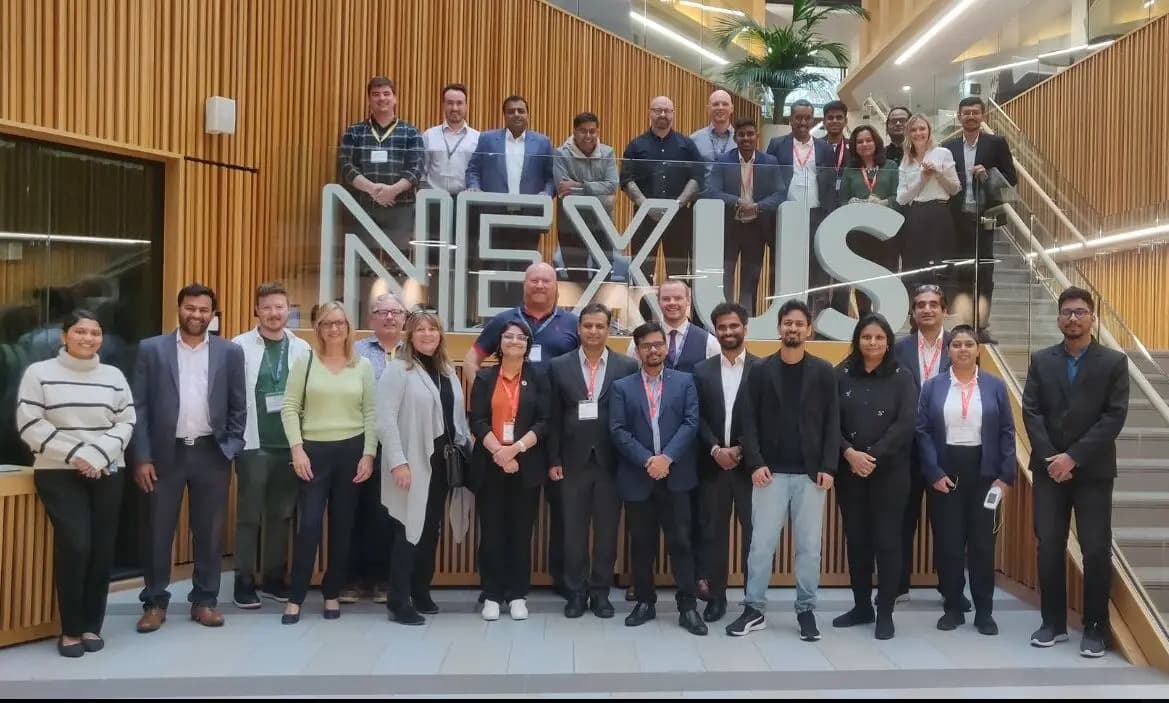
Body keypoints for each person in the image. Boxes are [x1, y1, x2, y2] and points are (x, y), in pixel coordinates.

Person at [16, 311, 135, 657]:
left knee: (102, 549)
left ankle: (91, 626)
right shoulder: (39, 373)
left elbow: (127, 420)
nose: (88, 338)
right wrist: (79, 455)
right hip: (57, 471)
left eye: (95, 332)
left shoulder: (113, 376)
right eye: (80, 331)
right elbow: (30, 423)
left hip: (107, 469)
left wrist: (97, 455)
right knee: (77, 545)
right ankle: (70, 630)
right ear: (64, 336)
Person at [132, 284, 246, 633]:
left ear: (213, 314)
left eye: (203, 310)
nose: (196, 315)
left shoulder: (229, 352)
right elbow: (139, 407)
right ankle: (154, 602)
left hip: (212, 453)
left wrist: (231, 446)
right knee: (157, 532)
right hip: (164, 455)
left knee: (209, 533)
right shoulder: (151, 349)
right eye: (190, 308)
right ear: (179, 308)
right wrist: (142, 457)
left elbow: (239, 405)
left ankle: (205, 601)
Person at [1022, 286, 1128, 657]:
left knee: (1095, 549)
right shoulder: (1041, 360)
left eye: (1080, 312)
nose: (1073, 318)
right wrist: (1053, 457)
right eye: (1067, 312)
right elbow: (1031, 411)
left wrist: (1073, 457)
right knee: (1049, 545)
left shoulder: (1113, 362)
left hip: (1093, 471)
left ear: (1092, 317)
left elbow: (1114, 416)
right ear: (1058, 318)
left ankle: (1096, 626)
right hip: (1049, 470)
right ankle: (1052, 622)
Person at [464, 261, 580, 599]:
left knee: (560, 510)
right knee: (496, 518)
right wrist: (486, 389)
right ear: (524, 284)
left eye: (547, 280)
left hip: (552, 430)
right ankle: (494, 586)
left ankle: (563, 580)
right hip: (502, 437)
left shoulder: (571, 323)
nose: (540, 285)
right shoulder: (504, 320)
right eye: (534, 280)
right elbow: (471, 360)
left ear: (556, 286)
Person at [726, 300, 838, 641]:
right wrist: (755, 462)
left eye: (799, 324)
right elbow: (747, 421)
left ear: (809, 330)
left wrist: (829, 466)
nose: (793, 328)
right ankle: (754, 609)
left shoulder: (824, 371)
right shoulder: (760, 370)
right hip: (769, 474)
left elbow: (833, 422)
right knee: (760, 545)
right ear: (779, 328)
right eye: (787, 323)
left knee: (809, 547)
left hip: (811, 475)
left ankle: (806, 611)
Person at [279, 302, 377, 624]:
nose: (334, 329)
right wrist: (297, 450)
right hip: (313, 453)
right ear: (318, 329)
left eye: (340, 323)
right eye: (327, 323)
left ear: (348, 328)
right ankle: (296, 597)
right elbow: (290, 407)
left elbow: (371, 412)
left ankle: (332, 592)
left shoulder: (362, 365)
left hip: (352, 451)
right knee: (308, 525)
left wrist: (369, 454)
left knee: (342, 528)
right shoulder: (305, 362)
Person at [916, 324, 1015, 636]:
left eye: (968, 344)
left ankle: (984, 611)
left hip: (984, 473)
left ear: (978, 350)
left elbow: (1007, 432)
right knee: (949, 544)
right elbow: (922, 431)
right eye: (956, 344)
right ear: (948, 350)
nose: (962, 349)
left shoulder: (995, 386)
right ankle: (953, 607)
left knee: (983, 545)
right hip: (945, 474)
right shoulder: (932, 387)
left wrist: (1005, 477)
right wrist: (933, 472)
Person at [610, 322, 707, 636]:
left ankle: (687, 606)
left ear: (666, 347)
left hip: (676, 476)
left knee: (682, 543)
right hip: (638, 476)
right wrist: (648, 460)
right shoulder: (622, 387)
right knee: (641, 544)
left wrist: (667, 458)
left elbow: (691, 423)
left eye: (658, 344)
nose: (653, 350)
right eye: (646, 346)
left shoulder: (686, 382)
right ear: (637, 351)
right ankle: (645, 602)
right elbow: (618, 430)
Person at [377, 310, 472, 625]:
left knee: (430, 530)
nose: (428, 334)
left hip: (442, 464)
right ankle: (398, 601)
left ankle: (420, 590)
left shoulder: (447, 370)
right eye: (421, 329)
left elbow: (455, 417)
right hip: (411, 463)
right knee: (408, 529)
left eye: (433, 329)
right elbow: (385, 419)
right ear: (409, 335)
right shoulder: (398, 370)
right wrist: (398, 462)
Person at [546, 303, 639, 618]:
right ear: (579, 329)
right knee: (572, 531)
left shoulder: (627, 366)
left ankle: (600, 593)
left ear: (609, 329)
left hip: (612, 462)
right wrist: (553, 458)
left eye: (600, 326)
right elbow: (553, 417)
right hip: (571, 461)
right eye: (588, 326)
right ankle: (575, 592)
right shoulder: (559, 366)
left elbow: (633, 416)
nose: (594, 331)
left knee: (607, 532)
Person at [833, 313, 916, 640]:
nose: (872, 342)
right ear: (858, 340)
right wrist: (849, 454)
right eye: (867, 337)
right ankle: (861, 607)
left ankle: (885, 613)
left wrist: (872, 457)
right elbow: (828, 421)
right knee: (857, 541)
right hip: (849, 471)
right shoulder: (840, 374)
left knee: (888, 542)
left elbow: (905, 424)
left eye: (879, 337)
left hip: (890, 474)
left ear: (888, 342)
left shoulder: (902, 376)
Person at [230, 283, 312, 609]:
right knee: (249, 514)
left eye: (280, 307)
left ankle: (274, 577)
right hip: (253, 443)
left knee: (281, 514)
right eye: (267, 307)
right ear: (257, 310)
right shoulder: (238, 346)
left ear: (288, 309)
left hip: (290, 445)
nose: (274, 313)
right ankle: (244, 579)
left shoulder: (302, 348)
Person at [892, 285, 970, 612]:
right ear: (913, 312)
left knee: (949, 525)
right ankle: (896, 586)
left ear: (944, 310)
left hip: (946, 449)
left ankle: (952, 590)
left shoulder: (959, 345)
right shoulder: (898, 348)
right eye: (920, 305)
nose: (927, 309)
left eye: (933, 304)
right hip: (905, 449)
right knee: (901, 519)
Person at [468, 318, 550, 622]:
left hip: (525, 465)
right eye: (508, 337)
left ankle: (517, 594)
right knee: (491, 532)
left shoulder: (539, 377)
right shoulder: (485, 377)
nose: (514, 341)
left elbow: (544, 421)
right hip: (490, 464)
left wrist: (515, 450)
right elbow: (477, 420)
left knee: (520, 532)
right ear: (499, 344)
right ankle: (491, 594)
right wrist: (499, 452)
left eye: (521, 337)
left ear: (528, 345)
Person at [691, 302, 758, 623]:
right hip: (712, 465)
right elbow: (696, 416)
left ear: (745, 328)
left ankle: (752, 600)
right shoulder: (701, 371)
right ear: (715, 331)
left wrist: (742, 449)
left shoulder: (762, 369)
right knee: (713, 534)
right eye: (722, 327)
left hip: (750, 468)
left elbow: (767, 417)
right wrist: (716, 449)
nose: (728, 332)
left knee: (754, 537)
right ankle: (716, 598)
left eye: (734, 326)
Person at [341, 292, 408, 605]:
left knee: (388, 515)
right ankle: (352, 580)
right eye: (382, 312)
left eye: (396, 312)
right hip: (359, 440)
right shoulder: (355, 351)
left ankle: (384, 580)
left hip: (401, 445)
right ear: (371, 318)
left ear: (404, 318)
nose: (389, 317)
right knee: (355, 512)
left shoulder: (413, 351)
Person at [941, 96, 1018, 343]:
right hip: (956, 218)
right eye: (966, 113)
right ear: (959, 116)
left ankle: (982, 326)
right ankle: (961, 324)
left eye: (975, 112)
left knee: (984, 272)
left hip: (985, 217)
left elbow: (1011, 178)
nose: (971, 116)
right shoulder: (949, 147)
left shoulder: (996, 143)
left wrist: (988, 174)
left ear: (983, 115)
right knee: (959, 271)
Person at [466, 95, 555, 304]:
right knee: (493, 269)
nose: (516, 114)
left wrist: (546, 193)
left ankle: (518, 315)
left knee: (523, 272)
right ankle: (493, 317)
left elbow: (551, 177)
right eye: (511, 111)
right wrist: (474, 187)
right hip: (493, 217)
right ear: (504, 115)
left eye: (521, 110)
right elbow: (473, 170)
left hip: (527, 218)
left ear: (528, 114)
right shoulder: (488, 139)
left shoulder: (542, 142)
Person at [766, 99, 840, 318]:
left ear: (813, 120)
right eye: (798, 118)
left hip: (816, 215)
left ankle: (815, 319)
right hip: (786, 216)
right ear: (790, 119)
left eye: (807, 118)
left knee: (816, 269)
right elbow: (769, 180)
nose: (803, 122)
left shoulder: (824, 148)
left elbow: (830, 185)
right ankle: (781, 316)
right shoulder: (776, 145)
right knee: (785, 268)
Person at [620, 96, 704, 282]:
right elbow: (626, 179)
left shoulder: (687, 145)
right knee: (641, 273)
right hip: (644, 218)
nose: (663, 114)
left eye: (667, 111)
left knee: (678, 273)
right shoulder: (636, 145)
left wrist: (678, 204)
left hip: (679, 218)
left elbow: (698, 177)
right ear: (650, 113)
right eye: (658, 110)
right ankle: (641, 303)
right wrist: (646, 206)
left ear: (673, 114)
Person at [337, 76, 425, 252]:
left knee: (398, 261)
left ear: (395, 98)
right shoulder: (354, 131)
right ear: (369, 99)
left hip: (401, 207)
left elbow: (416, 168)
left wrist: (392, 191)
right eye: (376, 94)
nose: (382, 98)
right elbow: (345, 166)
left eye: (386, 93)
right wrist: (372, 189)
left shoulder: (410, 132)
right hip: (363, 206)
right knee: (362, 261)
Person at [708, 118, 783, 313]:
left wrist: (758, 206)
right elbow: (712, 191)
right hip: (729, 228)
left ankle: (747, 321)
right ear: (735, 138)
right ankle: (725, 318)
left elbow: (780, 193)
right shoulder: (723, 161)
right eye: (741, 135)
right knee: (725, 279)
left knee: (750, 281)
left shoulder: (770, 162)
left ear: (757, 136)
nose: (746, 138)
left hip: (757, 229)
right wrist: (737, 201)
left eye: (750, 134)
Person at [552, 112, 620, 285]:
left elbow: (612, 185)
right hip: (571, 224)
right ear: (574, 132)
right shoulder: (561, 154)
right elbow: (564, 191)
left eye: (592, 131)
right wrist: (601, 196)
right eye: (583, 131)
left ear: (597, 132)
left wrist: (579, 185)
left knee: (605, 275)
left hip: (602, 222)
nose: (588, 136)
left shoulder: (608, 152)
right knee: (576, 278)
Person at [896, 114, 961, 292]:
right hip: (916, 215)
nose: (918, 133)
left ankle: (941, 303)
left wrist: (938, 173)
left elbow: (955, 189)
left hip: (940, 213)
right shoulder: (906, 160)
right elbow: (901, 198)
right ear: (908, 134)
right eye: (913, 130)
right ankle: (915, 302)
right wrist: (922, 180)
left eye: (922, 128)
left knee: (940, 264)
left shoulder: (943, 153)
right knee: (914, 265)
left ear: (929, 130)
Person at [840, 126, 899, 317]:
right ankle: (865, 321)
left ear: (876, 142)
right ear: (854, 146)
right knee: (862, 283)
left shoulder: (891, 166)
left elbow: (899, 197)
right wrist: (851, 203)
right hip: (859, 235)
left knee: (886, 279)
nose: (864, 144)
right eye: (859, 141)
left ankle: (887, 319)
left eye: (868, 140)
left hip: (886, 235)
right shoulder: (850, 170)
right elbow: (842, 201)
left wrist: (883, 202)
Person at [624, 279, 719, 369]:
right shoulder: (641, 340)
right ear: (658, 301)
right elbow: (632, 374)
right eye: (666, 299)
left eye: (678, 298)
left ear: (688, 301)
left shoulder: (710, 342)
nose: (672, 303)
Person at [422, 83, 480, 196]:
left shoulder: (477, 138)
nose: (454, 108)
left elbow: (478, 173)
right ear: (443, 105)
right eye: (450, 103)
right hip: (434, 199)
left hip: (465, 200)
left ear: (466, 106)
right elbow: (422, 172)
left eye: (459, 103)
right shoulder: (429, 135)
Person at [690, 89, 735, 165]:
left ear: (732, 109)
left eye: (725, 104)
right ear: (708, 109)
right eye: (715, 104)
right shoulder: (694, 140)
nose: (720, 108)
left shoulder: (743, 141)